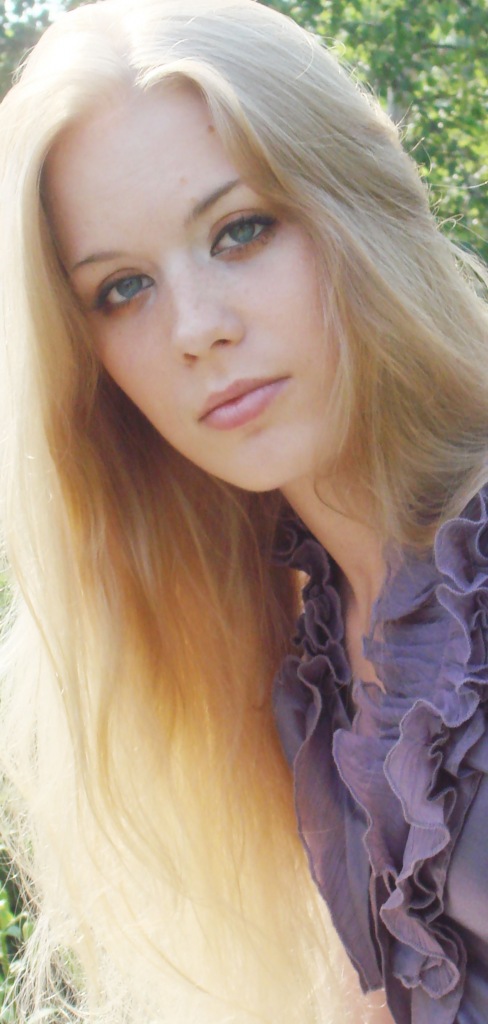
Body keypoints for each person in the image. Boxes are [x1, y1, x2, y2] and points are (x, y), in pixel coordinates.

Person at [0, 0, 487, 1021]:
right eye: (123, 287)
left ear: (355, 201)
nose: (195, 328)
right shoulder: (296, 657)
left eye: (240, 230)